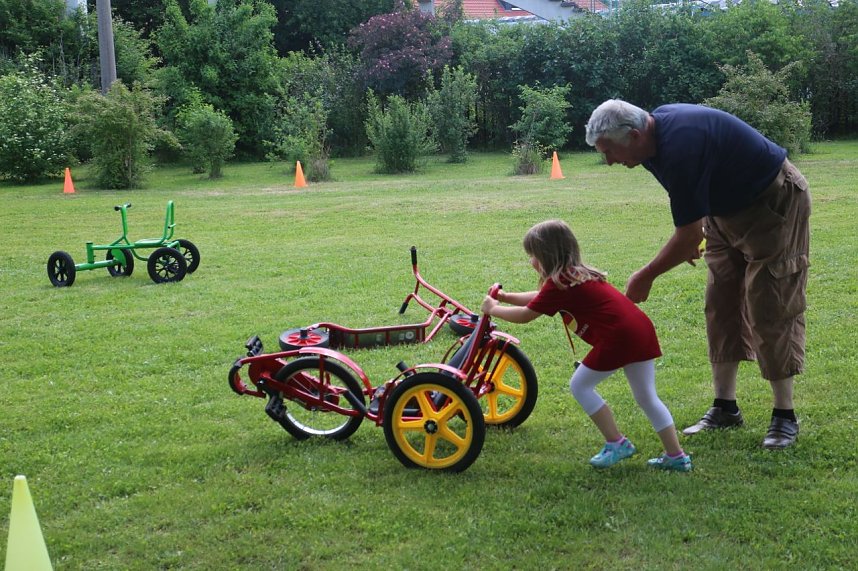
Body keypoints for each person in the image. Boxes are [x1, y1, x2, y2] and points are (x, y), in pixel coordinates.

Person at [584, 99, 810, 449]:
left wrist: (645, 275)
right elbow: (690, 205)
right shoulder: (647, 147)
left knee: (770, 303)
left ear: (632, 135)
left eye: (610, 150)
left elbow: (686, 231)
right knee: (720, 306)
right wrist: (695, 228)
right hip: (722, 215)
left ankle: (784, 415)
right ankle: (725, 407)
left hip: (771, 203)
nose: (609, 160)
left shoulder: (681, 142)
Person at [481, 219, 692, 472]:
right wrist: (507, 297)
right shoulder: (576, 274)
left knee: (580, 385)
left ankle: (617, 443)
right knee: (647, 396)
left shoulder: (559, 283)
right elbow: (540, 299)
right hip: (639, 330)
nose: (531, 262)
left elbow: (527, 315)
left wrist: (494, 308)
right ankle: (676, 456)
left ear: (547, 255)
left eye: (533, 256)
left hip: (619, 339)